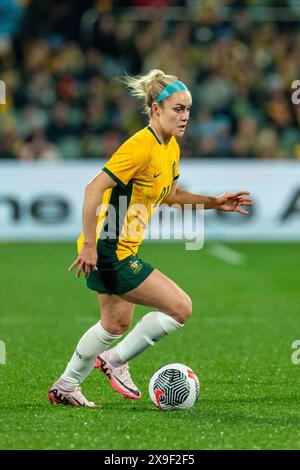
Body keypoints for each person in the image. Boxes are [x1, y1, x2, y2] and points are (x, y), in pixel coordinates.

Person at [48, 69, 252, 407]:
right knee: (179, 307)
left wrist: (214, 203)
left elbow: (171, 195)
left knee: (115, 323)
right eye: (178, 109)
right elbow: (94, 188)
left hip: (117, 246)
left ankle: (66, 386)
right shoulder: (140, 146)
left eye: (188, 109)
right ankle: (114, 361)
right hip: (108, 248)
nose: (185, 116)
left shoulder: (169, 147)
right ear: (156, 109)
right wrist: (88, 244)